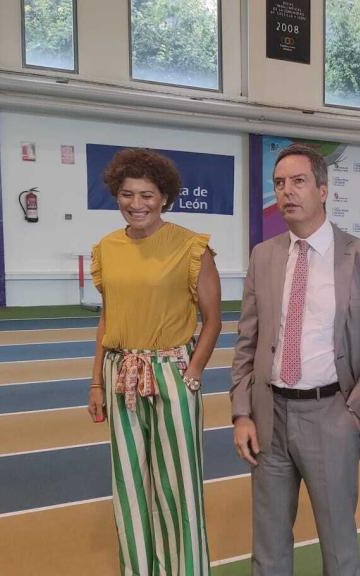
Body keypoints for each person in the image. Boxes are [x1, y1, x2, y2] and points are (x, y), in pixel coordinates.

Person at [230, 143, 360, 576]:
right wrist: (242, 415)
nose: (287, 192)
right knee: (267, 548)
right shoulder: (262, 256)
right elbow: (246, 343)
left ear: (323, 189)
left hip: (332, 415)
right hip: (269, 416)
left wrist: (354, 415)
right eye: (279, 183)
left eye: (298, 181)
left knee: (339, 549)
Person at [87, 148, 222, 575]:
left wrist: (193, 371)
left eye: (147, 194)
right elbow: (109, 317)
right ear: (116, 195)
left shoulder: (190, 246)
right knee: (128, 485)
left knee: (178, 485)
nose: (136, 204)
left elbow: (214, 320)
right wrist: (95, 382)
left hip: (172, 373)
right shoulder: (106, 248)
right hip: (120, 373)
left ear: (164, 197)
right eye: (127, 194)